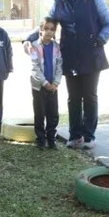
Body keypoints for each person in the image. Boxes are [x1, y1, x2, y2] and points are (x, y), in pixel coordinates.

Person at [22, 0, 109, 150]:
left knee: (89, 95)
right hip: (70, 56)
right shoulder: (59, 3)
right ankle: (75, 135)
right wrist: (28, 39)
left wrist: (99, 40)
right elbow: (46, 23)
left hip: (91, 56)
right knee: (73, 97)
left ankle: (89, 136)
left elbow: (108, 23)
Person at [30, 19, 62, 150]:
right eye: (46, 28)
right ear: (40, 30)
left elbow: (60, 65)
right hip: (39, 87)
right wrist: (44, 83)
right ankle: (41, 140)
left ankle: (51, 139)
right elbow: (35, 67)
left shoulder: (57, 47)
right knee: (40, 113)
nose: (49, 31)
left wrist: (55, 82)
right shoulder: (34, 46)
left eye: (52, 29)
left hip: (53, 87)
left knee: (53, 113)